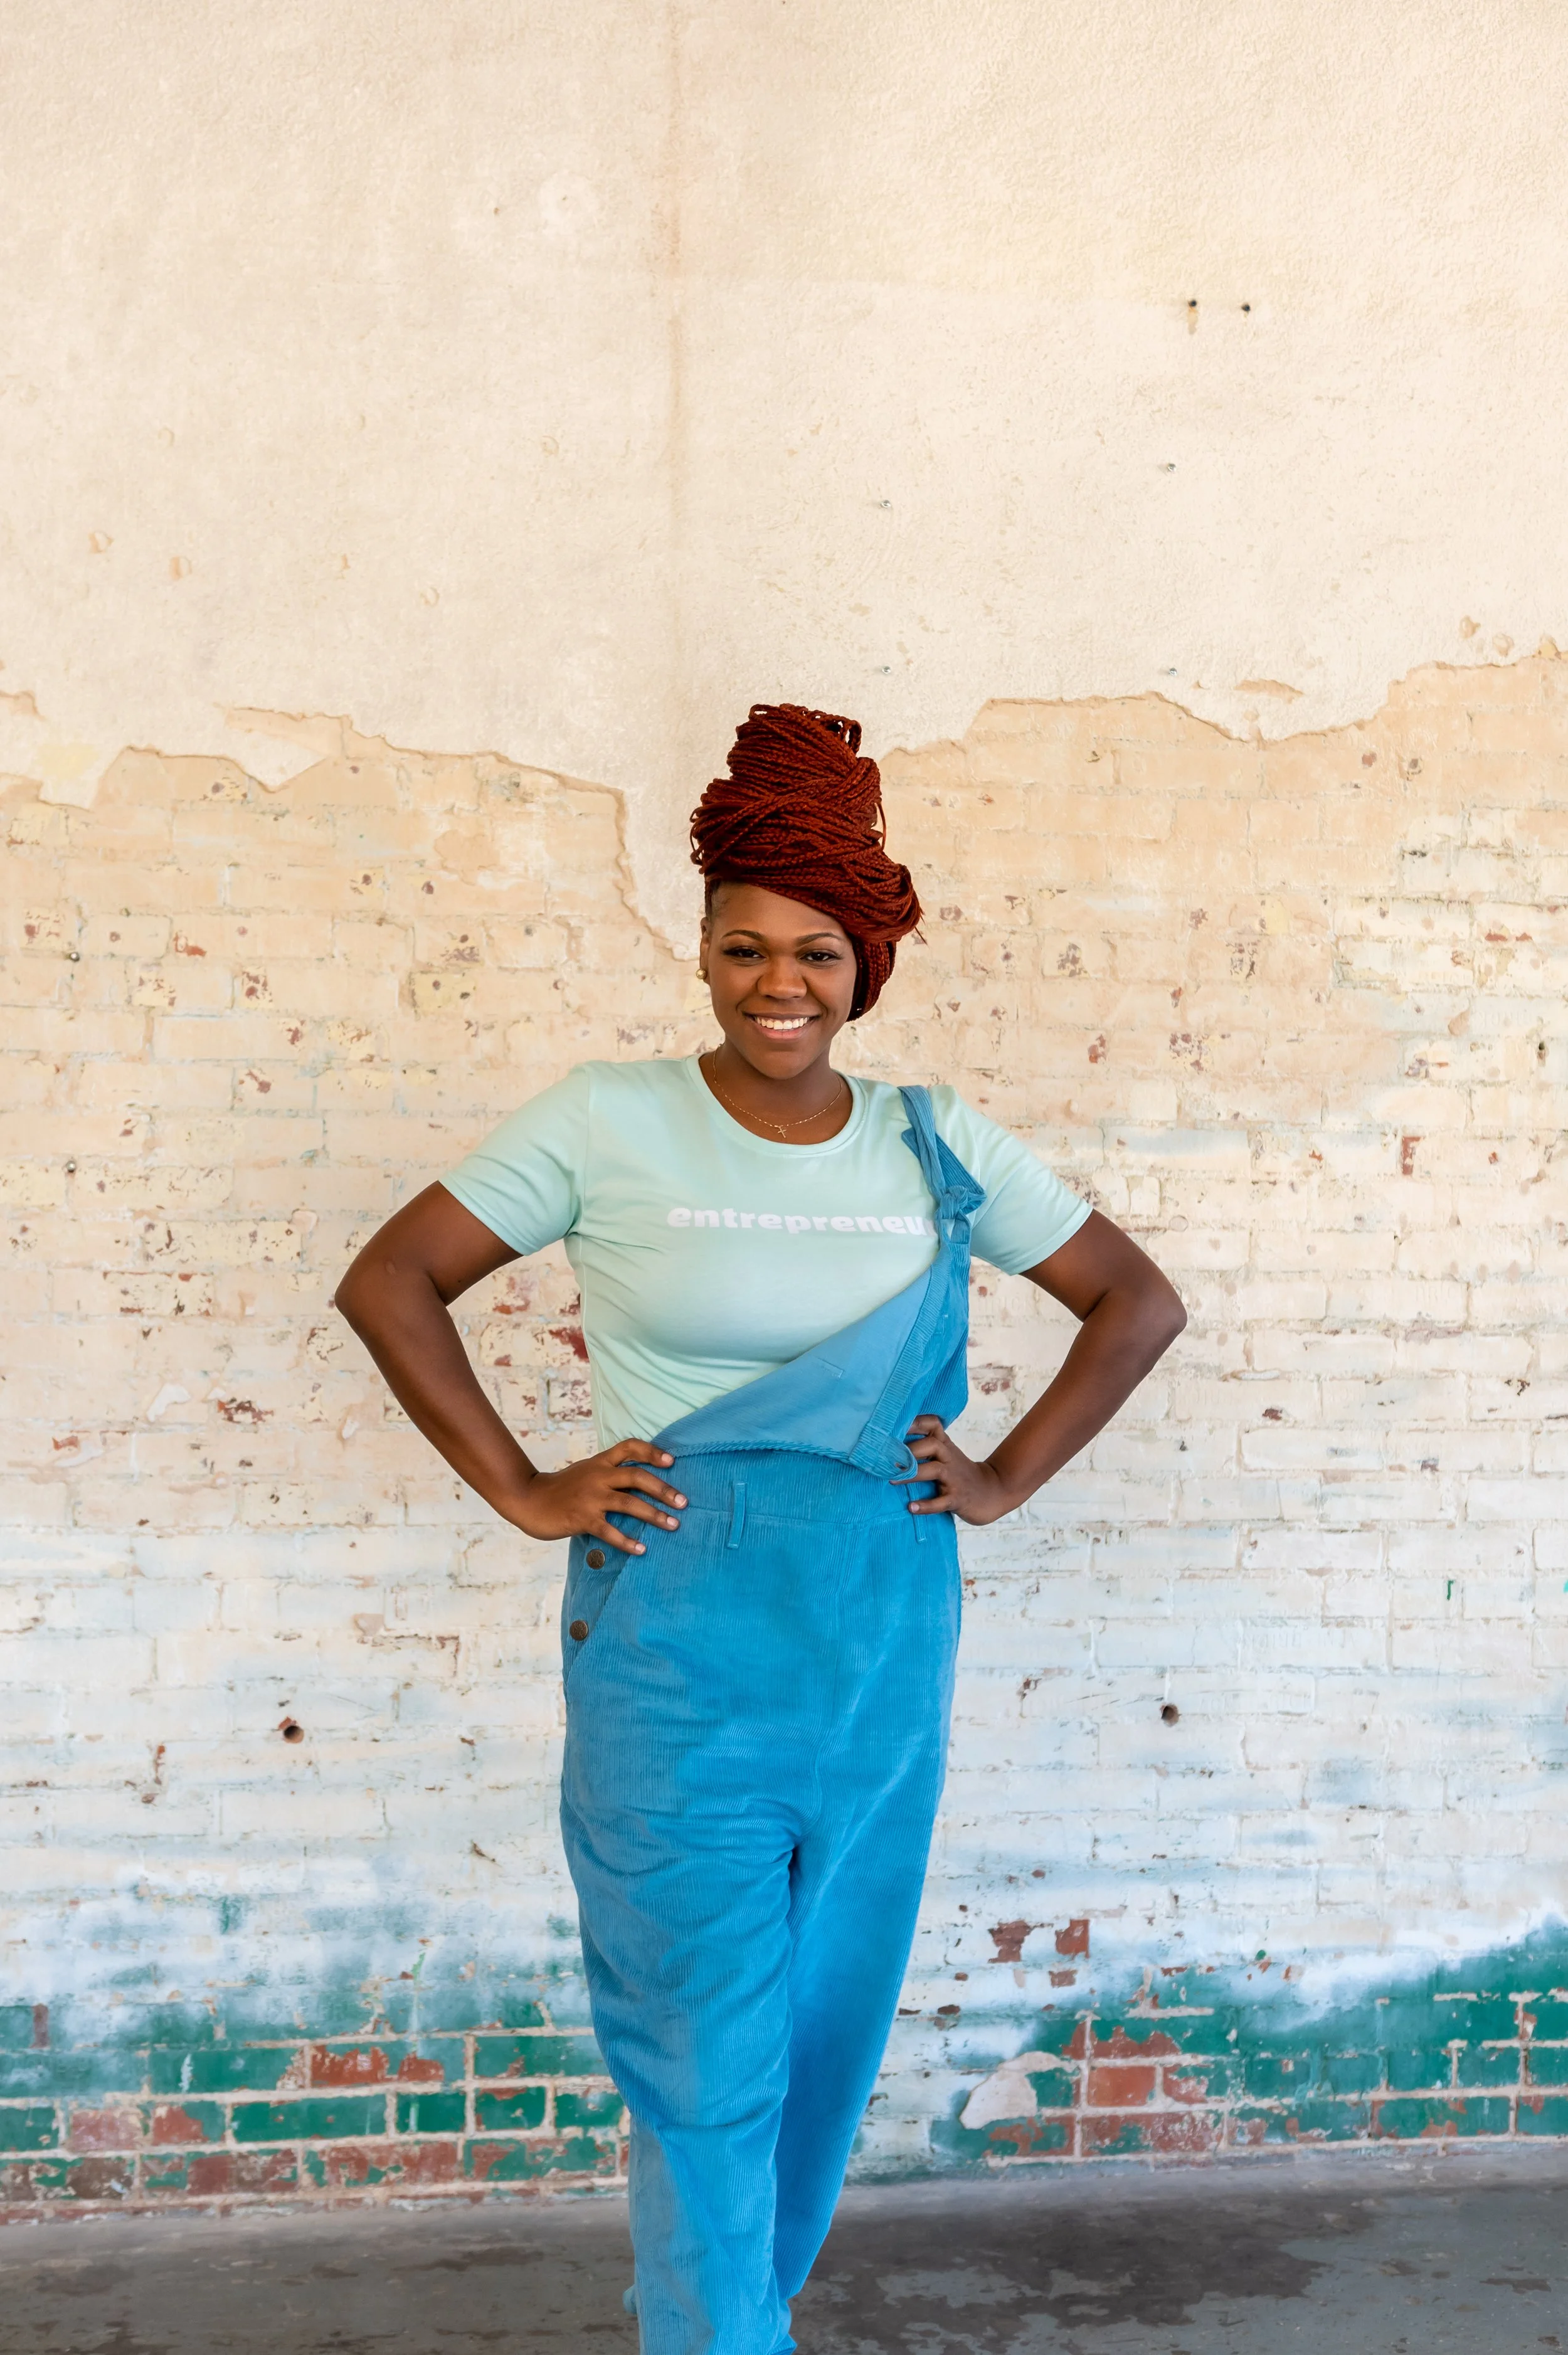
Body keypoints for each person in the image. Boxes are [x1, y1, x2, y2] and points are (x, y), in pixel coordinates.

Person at [334, 703, 1185, 2355]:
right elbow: (394, 1281)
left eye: (815, 953)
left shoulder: (934, 1143)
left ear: (865, 967)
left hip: (876, 1647)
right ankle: (721, 2334)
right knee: (699, 2035)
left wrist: (1002, 1476)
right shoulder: (607, 1117)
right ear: (704, 954)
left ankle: (729, 2306)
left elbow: (1134, 1303)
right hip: (672, 1647)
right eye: (743, 949)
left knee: (820, 2017)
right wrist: (525, 1487)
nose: (777, 985)